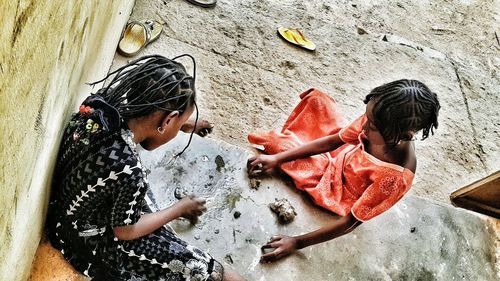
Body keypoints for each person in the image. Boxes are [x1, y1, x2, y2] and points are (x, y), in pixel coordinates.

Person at [47, 55, 244, 281]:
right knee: (203, 269)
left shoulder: (96, 109)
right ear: (167, 121)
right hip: (84, 241)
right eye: (177, 123)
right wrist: (177, 209)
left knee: (144, 208)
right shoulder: (130, 172)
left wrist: (181, 124)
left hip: (63, 212)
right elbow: (125, 231)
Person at [248, 80, 440, 263]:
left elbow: (350, 222)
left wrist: (297, 242)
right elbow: (335, 140)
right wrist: (277, 159)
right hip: (345, 154)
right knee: (318, 100)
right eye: (368, 118)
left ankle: (293, 148)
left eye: (372, 125)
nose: (364, 127)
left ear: (404, 136)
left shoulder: (395, 178)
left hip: (336, 189)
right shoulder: (378, 121)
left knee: (277, 143)